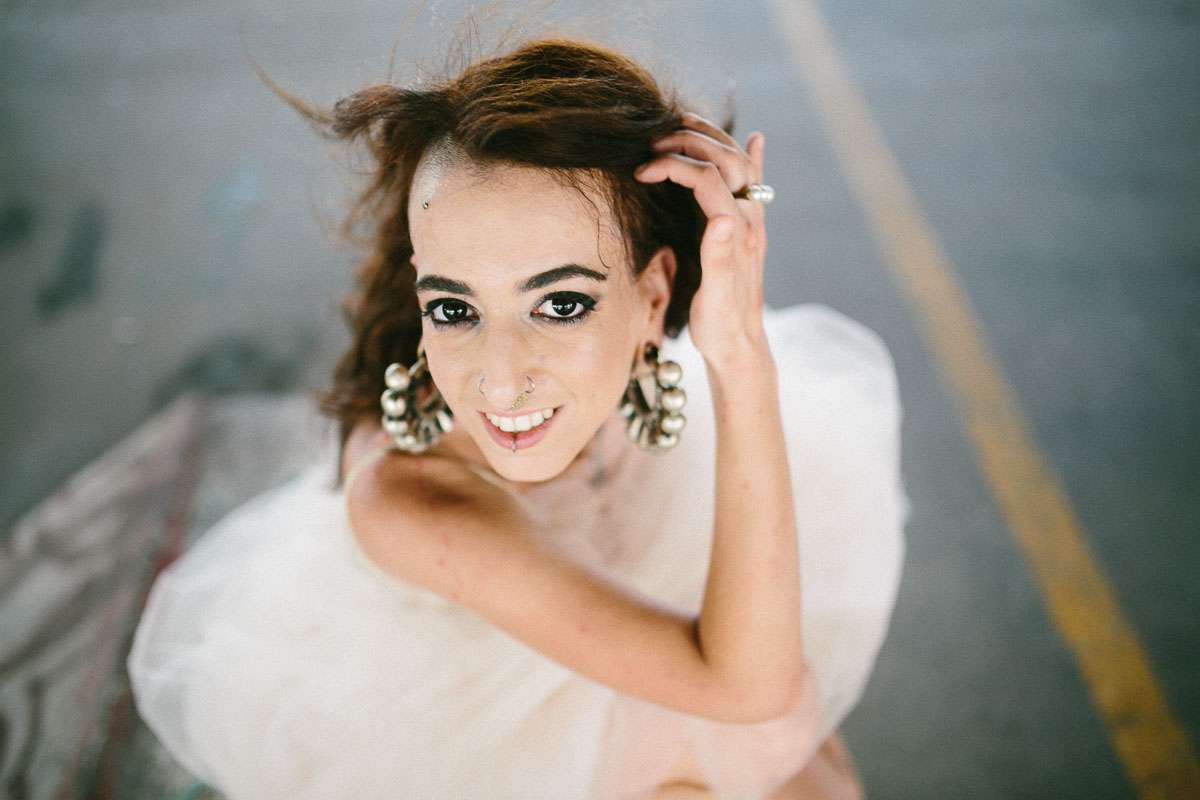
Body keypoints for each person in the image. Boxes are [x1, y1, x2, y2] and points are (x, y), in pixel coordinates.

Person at [127, 34, 909, 799]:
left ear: (654, 296)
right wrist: (741, 365)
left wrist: (735, 343)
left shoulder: (610, 376)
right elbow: (749, 690)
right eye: (454, 308)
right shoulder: (415, 503)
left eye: (559, 305)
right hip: (465, 722)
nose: (501, 384)